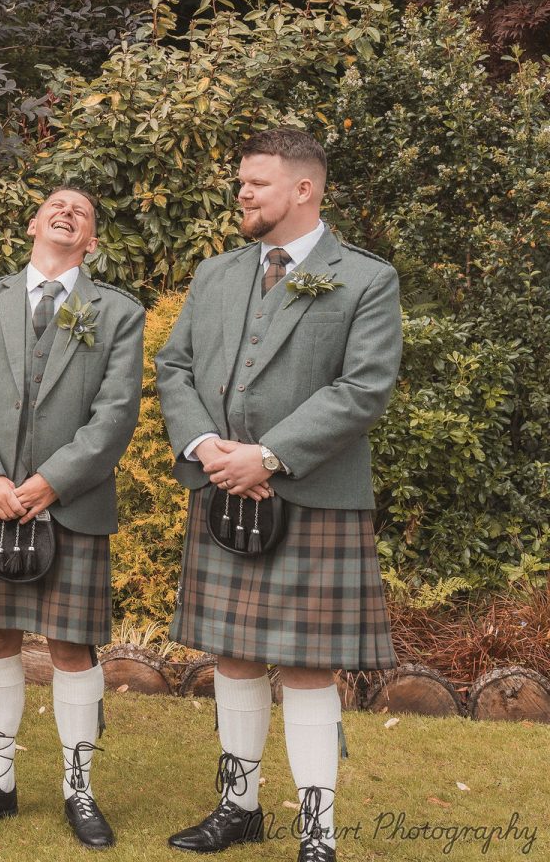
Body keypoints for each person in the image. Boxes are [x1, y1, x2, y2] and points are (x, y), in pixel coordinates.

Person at [155, 128, 402, 862]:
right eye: (240, 183)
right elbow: (176, 368)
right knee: (232, 654)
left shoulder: (365, 278)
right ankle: (239, 807)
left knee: (306, 666)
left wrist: (268, 456)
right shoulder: (217, 274)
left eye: (255, 183)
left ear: (304, 189)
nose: (241, 194)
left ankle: (317, 832)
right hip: (222, 487)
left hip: (314, 497)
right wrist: (205, 448)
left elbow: (364, 388)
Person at [0, 185, 144, 847]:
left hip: (71, 503)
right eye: (57, 203)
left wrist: (50, 483)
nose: (68, 211)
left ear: (92, 242)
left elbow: (115, 416)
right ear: (32, 223)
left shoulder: (117, 312)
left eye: (83, 211)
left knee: (70, 648)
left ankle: (78, 789)